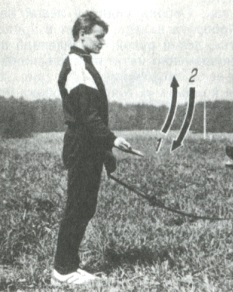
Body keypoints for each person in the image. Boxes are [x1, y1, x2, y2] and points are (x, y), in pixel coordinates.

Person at [52, 11, 131, 285]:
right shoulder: (76, 64)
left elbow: (91, 116)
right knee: (77, 206)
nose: (102, 42)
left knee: (85, 206)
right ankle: (62, 271)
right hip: (80, 146)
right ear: (82, 34)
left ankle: (70, 265)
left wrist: (105, 151)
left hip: (89, 146)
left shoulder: (84, 63)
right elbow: (87, 115)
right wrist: (112, 140)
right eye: (98, 36)